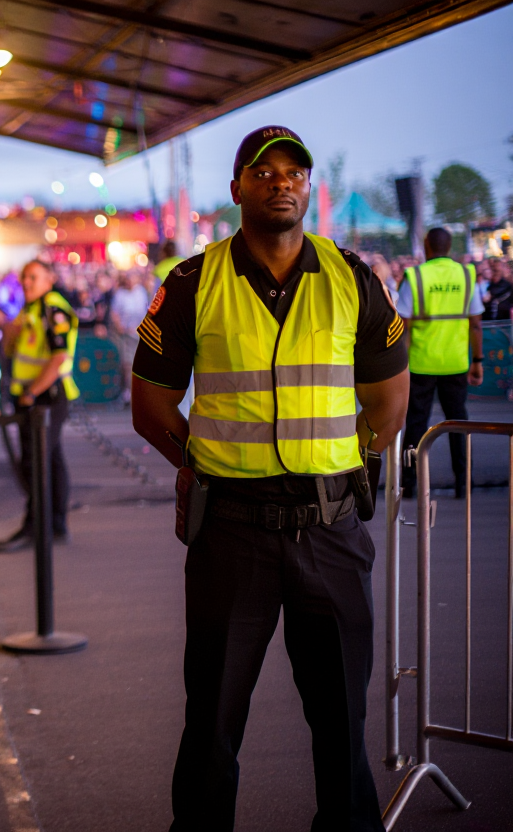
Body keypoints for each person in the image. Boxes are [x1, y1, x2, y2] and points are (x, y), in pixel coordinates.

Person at [131, 125, 409, 832]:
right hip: (232, 532)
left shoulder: (352, 277)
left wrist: (350, 465)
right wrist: (199, 463)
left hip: (330, 529)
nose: (280, 181)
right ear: (236, 191)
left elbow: (388, 399)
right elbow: (151, 403)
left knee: (343, 719)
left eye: (294, 172)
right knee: (212, 722)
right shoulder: (195, 281)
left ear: (309, 188)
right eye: (264, 172)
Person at [0, 260, 79, 551]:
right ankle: (54, 525)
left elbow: (58, 357)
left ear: (49, 280)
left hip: (46, 397)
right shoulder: (30, 309)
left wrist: (31, 393)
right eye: (24, 277)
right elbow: (14, 350)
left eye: (33, 277)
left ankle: (35, 527)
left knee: (36, 461)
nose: (27, 282)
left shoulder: (53, 309)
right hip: (34, 396)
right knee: (50, 459)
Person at [397, 227, 484, 498]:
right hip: (455, 363)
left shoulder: (415, 276)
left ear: (426, 245)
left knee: (415, 425)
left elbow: (403, 327)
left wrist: (398, 368)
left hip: (421, 364)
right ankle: (463, 482)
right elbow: (476, 324)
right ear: (449, 247)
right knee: (458, 423)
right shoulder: (466, 275)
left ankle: (409, 483)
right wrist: (477, 360)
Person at [109, 270, 150, 405]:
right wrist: (121, 327)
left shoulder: (141, 292)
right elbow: (114, 313)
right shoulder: (120, 294)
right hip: (126, 336)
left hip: (140, 335)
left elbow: (147, 310)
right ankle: (130, 393)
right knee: (128, 365)